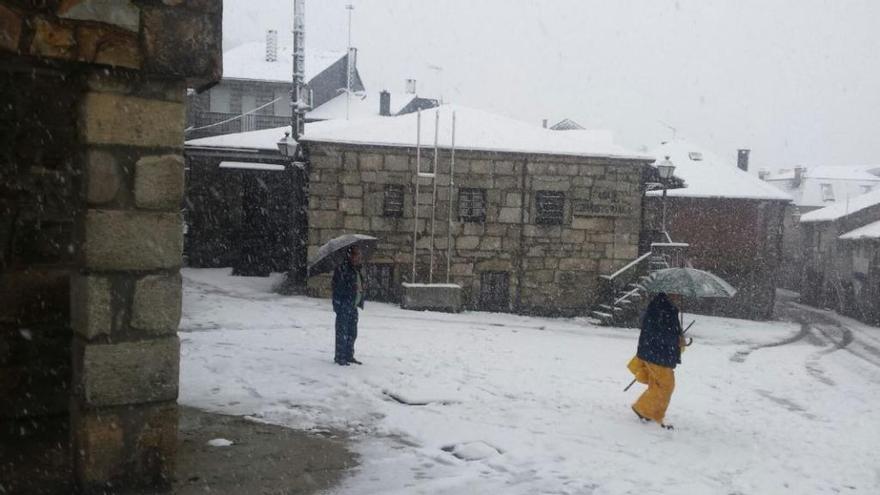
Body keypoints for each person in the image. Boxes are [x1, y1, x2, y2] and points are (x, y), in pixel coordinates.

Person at [628, 292, 685, 429]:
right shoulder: (660, 309)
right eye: (676, 292)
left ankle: (654, 414)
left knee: (658, 385)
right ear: (669, 292)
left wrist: (679, 336)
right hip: (656, 353)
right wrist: (675, 339)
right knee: (666, 385)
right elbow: (657, 333)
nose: (679, 296)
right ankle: (643, 409)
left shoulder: (666, 307)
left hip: (659, 353)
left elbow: (668, 330)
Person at [332, 245, 365, 366]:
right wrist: (352, 288)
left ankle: (349, 355)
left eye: (359, 254)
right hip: (344, 304)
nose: (359, 257)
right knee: (342, 332)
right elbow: (337, 288)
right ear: (350, 255)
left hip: (353, 305)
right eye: (356, 254)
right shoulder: (342, 269)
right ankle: (340, 356)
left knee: (352, 332)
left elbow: (359, 283)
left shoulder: (357, 269)